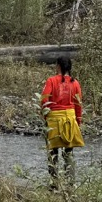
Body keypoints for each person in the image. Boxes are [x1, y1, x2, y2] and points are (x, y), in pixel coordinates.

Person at [40, 55, 83, 188]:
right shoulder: (75, 83)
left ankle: (54, 184)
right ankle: (70, 183)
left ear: (58, 66)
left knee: (53, 153)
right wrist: (78, 120)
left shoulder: (51, 80)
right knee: (68, 153)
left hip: (54, 119)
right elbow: (78, 103)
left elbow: (44, 100)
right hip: (70, 119)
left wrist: (45, 116)